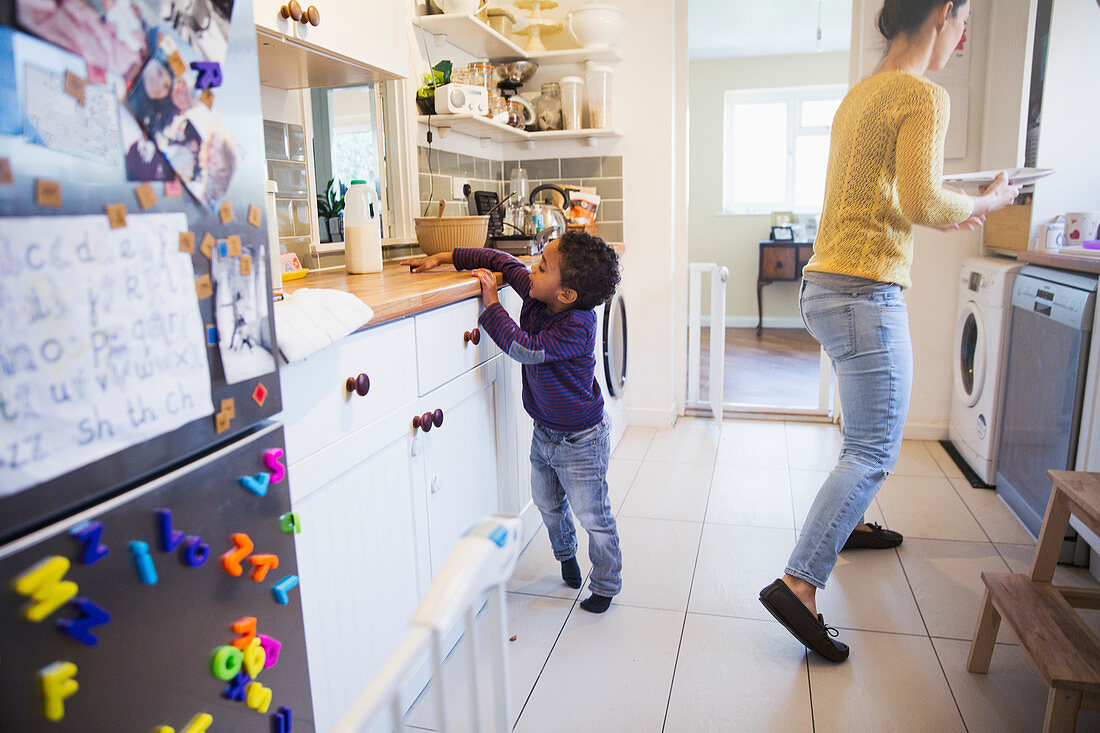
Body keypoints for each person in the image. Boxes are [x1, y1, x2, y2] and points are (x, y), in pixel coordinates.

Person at [758, 0, 1019, 663]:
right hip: (865, 291)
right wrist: (989, 201)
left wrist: (952, 194)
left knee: (861, 427)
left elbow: (888, 188)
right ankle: (799, 582)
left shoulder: (862, 96)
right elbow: (923, 202)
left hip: (825, 285)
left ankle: (854, 521)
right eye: (963, 22)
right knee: (874, 447)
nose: (962, 37)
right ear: (942, 14)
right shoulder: (922, 96)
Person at [402, 233, 624, 614]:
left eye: (541, 267)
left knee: (593, 515)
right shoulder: (541, 293)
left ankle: (605, 583)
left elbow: (524, 348)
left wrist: (491, 304)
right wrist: (444, 256)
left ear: (566, 294)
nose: (530, 270)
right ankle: (565, 555)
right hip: (545, 432)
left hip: (582, 441)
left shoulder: (577, 326)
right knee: (547, 503)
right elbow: (502, 260)